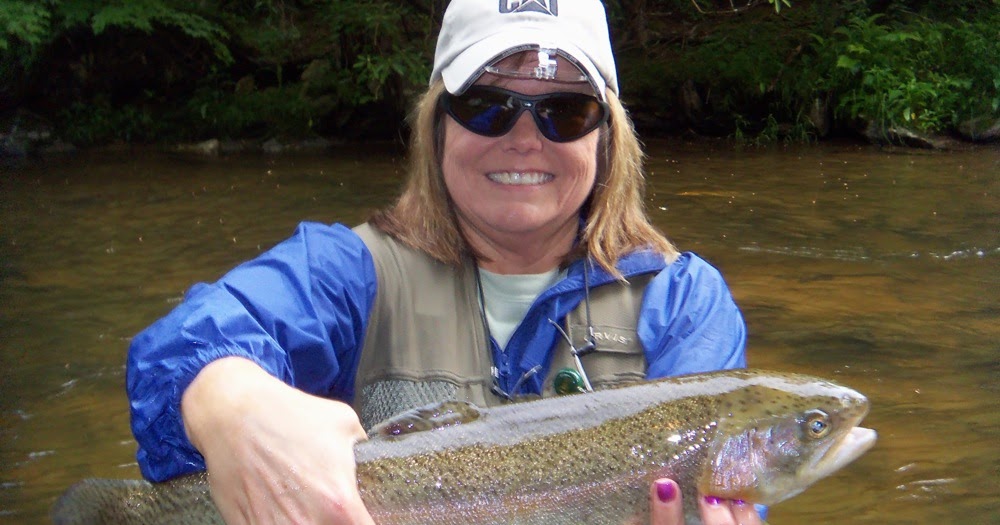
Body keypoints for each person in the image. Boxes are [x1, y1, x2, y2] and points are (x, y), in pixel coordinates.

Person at [126, 1, 761, 524]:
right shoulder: (347, 272)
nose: (524, 137)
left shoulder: (684, 301)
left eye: (566, 112)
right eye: (487, 105)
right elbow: (187, 339)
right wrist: (229, 402)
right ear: (437, 130)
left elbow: (735, 486)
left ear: (607, 138)